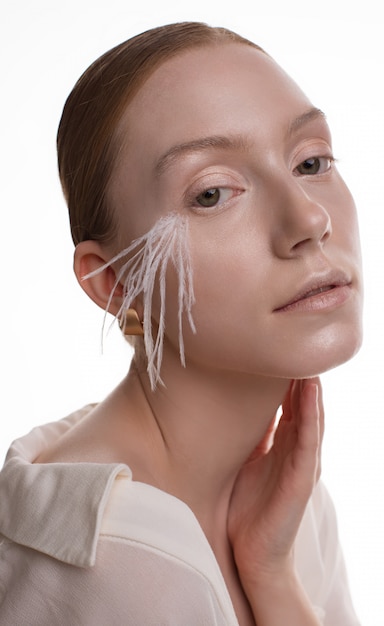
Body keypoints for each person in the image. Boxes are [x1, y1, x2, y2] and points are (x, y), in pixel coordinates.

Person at [0, 21, 363, 625]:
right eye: (213, 193)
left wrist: (270, 575)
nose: (308, 218)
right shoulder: (119, 561)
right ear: (114, 283)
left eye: (311, 161)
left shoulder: (285, 498)